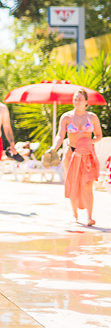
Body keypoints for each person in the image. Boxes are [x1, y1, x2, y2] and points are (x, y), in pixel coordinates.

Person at [49, 89, 103, 226]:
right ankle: (74, 215)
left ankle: (89, 217)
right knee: (73, 184)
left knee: (87, 186)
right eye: (75, 99)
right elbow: (60, 135)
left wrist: (88, 142)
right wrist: (53, 148)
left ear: (86, 102)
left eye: (79, 99)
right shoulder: (66, 117)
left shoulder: (92, 117)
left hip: (87, 154)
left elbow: (98, 136)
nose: (76, 101)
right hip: (70, 153)